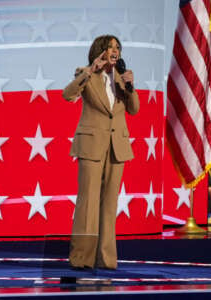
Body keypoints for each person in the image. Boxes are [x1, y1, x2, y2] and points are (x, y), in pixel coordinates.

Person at [62, 35, 139, 270]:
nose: (114, 51)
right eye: (109, 47)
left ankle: (105, 259)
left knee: (109, 204)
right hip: (92, 145)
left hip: (117, 146)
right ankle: (81, 258)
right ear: (100, 51)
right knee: (88, 202)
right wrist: (89, 71)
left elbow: (134, 110)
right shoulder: (86, 73)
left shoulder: (122, 77)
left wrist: (130, 87)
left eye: (117, 47)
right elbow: (68, 95)